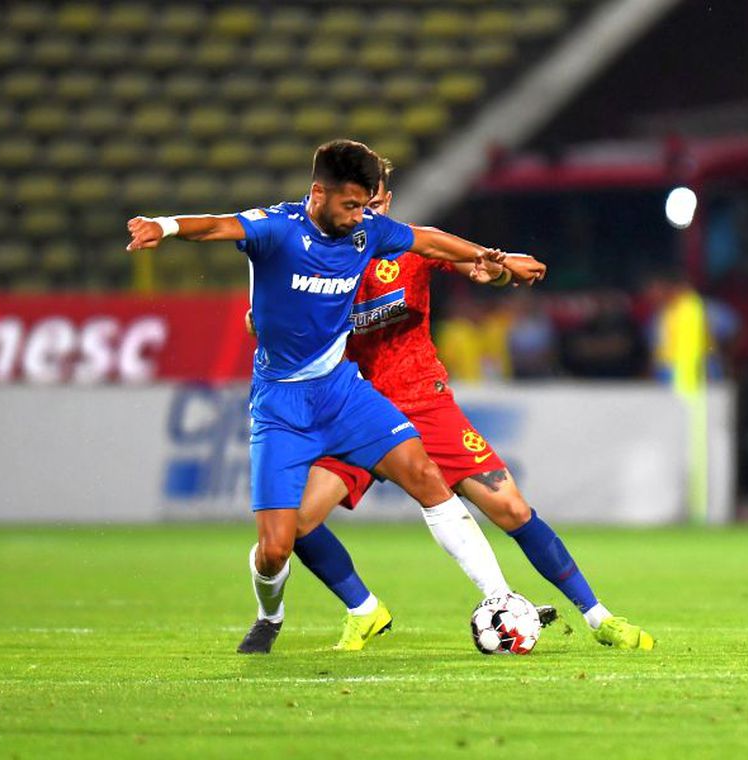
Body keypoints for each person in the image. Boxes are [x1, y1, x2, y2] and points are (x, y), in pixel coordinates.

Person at [126, 139, 546, 654]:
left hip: (344, 393)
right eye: (350, 205)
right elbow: (216, 225)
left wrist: (493, 259)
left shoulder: (367, 230)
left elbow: (429, 240)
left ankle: (499, 598)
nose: (358, 216)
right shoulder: (278, 229)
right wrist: (163, 227)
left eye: (365, 205)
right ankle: (270, 615)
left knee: (425, 475)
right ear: (318, 192)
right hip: (281, 406)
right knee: (276, 548)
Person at [264, 162, 654, 650]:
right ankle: (363, 608)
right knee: (294, 523)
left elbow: (472, 265)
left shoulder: (408, 247)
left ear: (387, 202)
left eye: (377, 204)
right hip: (352, 408)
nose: (367, 213)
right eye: (358, 205)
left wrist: (497, 269)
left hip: (422, 402)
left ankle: (600, 619)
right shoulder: (312, 258)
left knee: (510, 507)